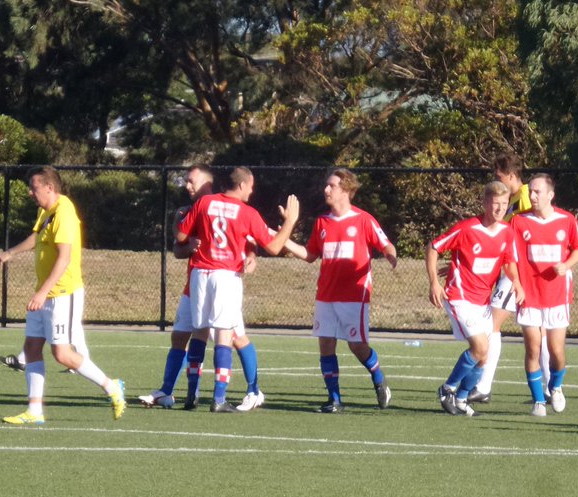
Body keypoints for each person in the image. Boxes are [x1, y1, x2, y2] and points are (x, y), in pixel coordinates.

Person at [139, 164, 298, 411]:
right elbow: (275, 247)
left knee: (199, 333)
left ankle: (192, 395)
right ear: (243, 185)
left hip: (200, 274)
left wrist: (189, 235)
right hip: (225, 275)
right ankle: (219, 399)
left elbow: (180, 238)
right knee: (225, 334)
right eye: (251, 186)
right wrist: (290, 221)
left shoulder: (204, 205)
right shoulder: (247, 212)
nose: (252, 191)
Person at [0, 166, 126, 425]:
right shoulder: (47, 211)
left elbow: (65, 258)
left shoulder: (64, 213)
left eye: (34, 188)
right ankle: (34, 411)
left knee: (62, 354)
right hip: (45, 293)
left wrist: (43, 293)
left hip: (61, 294)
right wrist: (11, 252)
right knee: (32, 348)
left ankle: (111, 386)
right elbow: (37, 236)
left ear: (49, 187)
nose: (30, 193)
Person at [300, 168, 398, 413]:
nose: (326, 189)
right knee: (326, 346)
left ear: (345, 190)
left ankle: (377, 377)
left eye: (331, 186)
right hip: (326, 294)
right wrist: (281, 240)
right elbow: (310, 255)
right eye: (327, 185)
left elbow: (385, 244)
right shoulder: (322, 222)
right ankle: (334, 400)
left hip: (355, 296)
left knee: (357, 346)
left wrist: (390, 256)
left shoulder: (363, 219)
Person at [426, 181, 522, 417]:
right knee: (479, 347)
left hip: (482, 302)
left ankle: (461, 399)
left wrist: (517, 282)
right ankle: (447, 389)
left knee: (484, 356)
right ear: (484, 203)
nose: (500, 209)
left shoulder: (506, 232)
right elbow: (433, 247)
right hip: (459, 297)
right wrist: (434, 283)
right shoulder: (467, 228)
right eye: (495, 203)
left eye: (504, 204)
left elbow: (509, 261)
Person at [470, 152, 550, 403]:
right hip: (513, 270)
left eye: (499, 176)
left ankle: (483, 386)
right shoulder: (513, 199)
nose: (496, 179)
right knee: (539, 331)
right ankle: (550, 389)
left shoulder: (526, 196)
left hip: (520, 272)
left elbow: (533, 232)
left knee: (492, 325)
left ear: (512, 176)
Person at [510, 174, 578, 417]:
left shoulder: (567, 220)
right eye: (530, 191)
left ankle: (556, 386)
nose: (532, 196)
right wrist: (517, 284)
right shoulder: (519, 222)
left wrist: (567, 265)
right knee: (533, 349)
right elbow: (509, 257)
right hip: (529, 295)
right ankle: (538, 401)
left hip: (556, 296)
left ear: (550, 195)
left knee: (556, 350)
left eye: (537, 192)